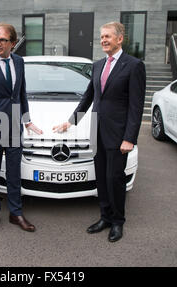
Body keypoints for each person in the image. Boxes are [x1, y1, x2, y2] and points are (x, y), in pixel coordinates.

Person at [53, 22, 146, 242]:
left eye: (107, 37)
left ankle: (117, 222)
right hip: (97, 132)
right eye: (101, 37)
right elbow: (88, 98)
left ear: (119, 39)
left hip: (118, 135)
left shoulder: (133, 66)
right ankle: (104, 217)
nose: (103, 40)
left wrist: (129, 138)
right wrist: (71, 122)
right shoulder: (97, 66)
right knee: (102, 178)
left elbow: (136, 106)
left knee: (115, 179)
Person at [0, 23, 42, 234]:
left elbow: (21, 94)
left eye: (2, 40)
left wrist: (27, 121)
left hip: (14, 128)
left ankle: (15, 213)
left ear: (13, 43)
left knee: (14, 173)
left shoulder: (19, 62)